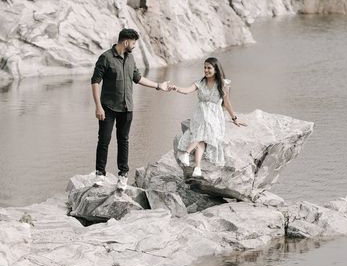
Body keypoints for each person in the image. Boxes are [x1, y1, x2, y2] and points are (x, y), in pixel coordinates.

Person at [91, 28, 171, 190]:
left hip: (127, 107)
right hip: (108, 107)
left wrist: (158, 86)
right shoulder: (105, 58)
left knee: (124, 141)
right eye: (133, 43)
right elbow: (95, 81)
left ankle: (123, 176)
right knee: (104, 141)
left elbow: (138, 78)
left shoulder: (130, 58)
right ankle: (100, 174)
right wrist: (98, 106)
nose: (134, 46)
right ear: (126, 42)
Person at [173, 57, 246, 177]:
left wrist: (234, 118)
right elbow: (186, 90)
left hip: (215, 116)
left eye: (209, 68)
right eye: (205, 67)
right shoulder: (200, 83)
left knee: (203, 137)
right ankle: (193, 162)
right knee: (204, 131)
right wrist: (177, 88)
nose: (206, 70)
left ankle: (193, 161)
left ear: (216, 69)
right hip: (201, 115)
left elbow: (226, 103)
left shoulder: (223, 84)